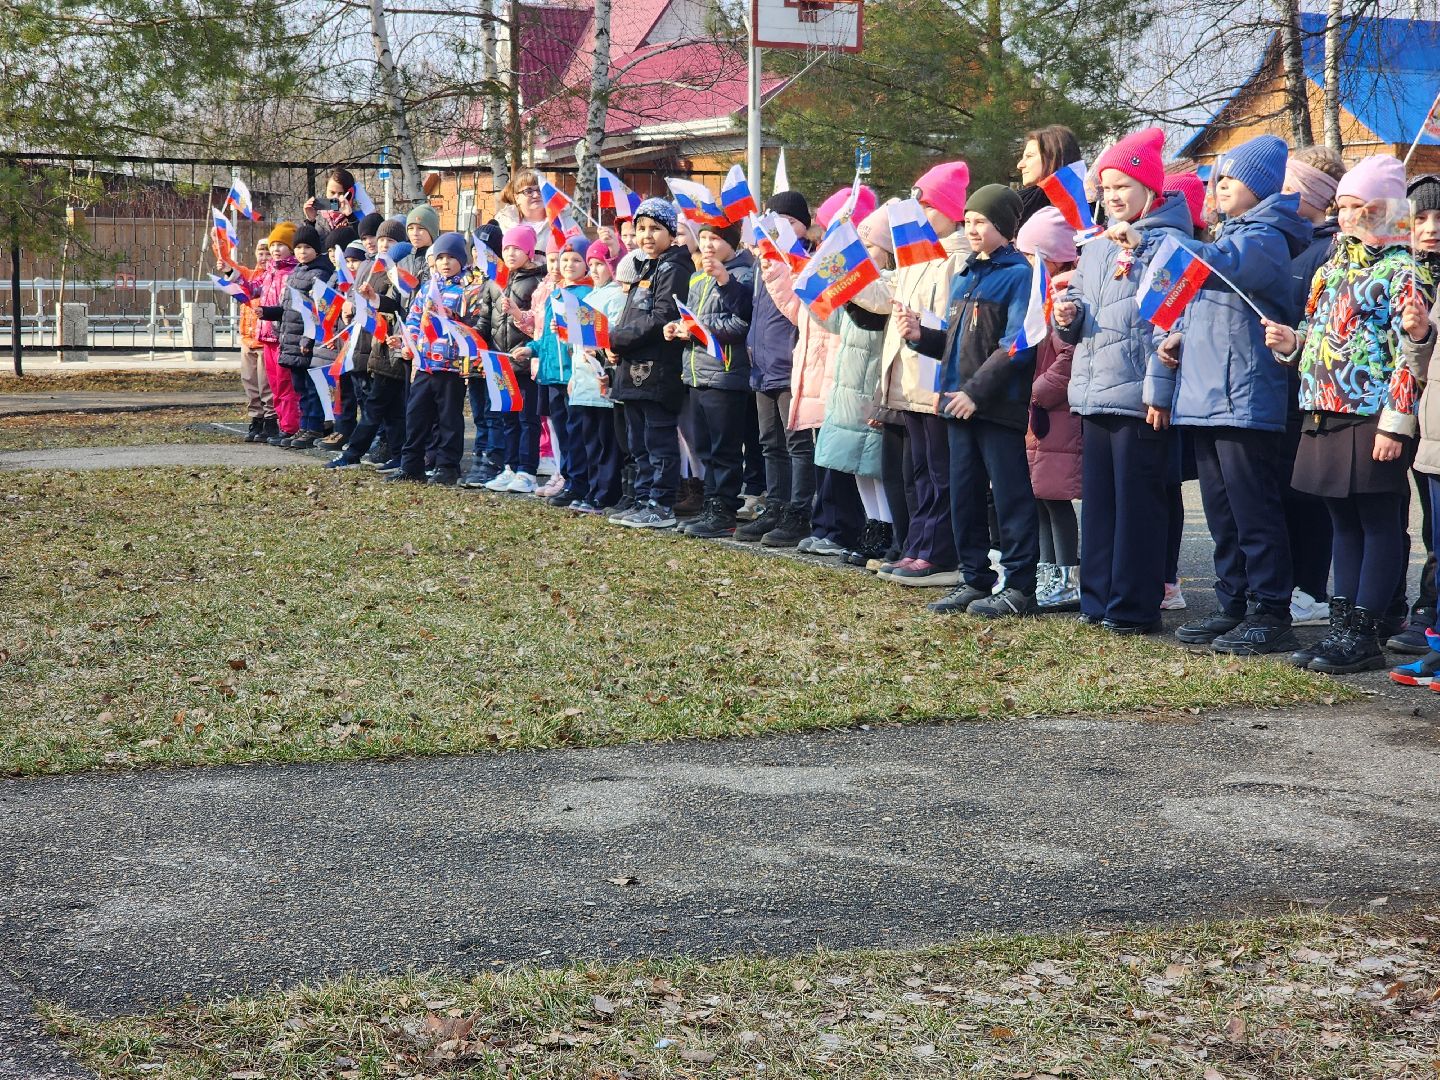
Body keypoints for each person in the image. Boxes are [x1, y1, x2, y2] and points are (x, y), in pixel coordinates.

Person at [1262, 154, 1429, 673]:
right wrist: (1292, 344)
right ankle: (1341, 625)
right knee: (1341, 521)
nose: (1349, 215)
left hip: (1370, 413)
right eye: (1343, 205)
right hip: (1324, 409)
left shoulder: (1402, 270)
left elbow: (1409, 355)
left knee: (1377, 521)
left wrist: (1395, 423)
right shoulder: (1334, 265)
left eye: (1361, 206)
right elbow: (1321, 332)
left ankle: (1366, 631)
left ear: (1387, 208)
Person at [1162, 135, 1313, 655]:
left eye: (1232, 178)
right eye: (1217, 178)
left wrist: (1160, 231)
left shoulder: (1265, 236)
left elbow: (1221, 268)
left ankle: (1270, 610)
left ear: (1261, 186)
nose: (1219, 186)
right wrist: (1180, 334)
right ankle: (1233, 602)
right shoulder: (1229, 234)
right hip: (1206, 395)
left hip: (1243, 398)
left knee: (1254, 511)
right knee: (1222, 513)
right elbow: (1204, 301)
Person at [1054, 127, 1192, 633]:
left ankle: (1134, 606)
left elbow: (1172, 324)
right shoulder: (1096, 247)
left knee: (1138, 506)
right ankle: (1097, 600)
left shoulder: (1172, 243)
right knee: (1100, 506)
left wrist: (1160, 391)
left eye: (1123, 187)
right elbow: (1079, 310)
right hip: (1096, 391)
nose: (1113, 197)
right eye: (1107, 188)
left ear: (1150, 189)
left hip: (1139, 397)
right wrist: (1066, 316)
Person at [898, 184, 1039, 617]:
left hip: (995, 407)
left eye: (981, 222)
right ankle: (975, 578)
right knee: (964, 496)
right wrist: (922, 336)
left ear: (1004, 225)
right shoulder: (966, 273)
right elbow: (957, 343)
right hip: (956, 406)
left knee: (1010, 497)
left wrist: (975, 393)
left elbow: (1017, 344)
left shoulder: (1020, 275)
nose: (972, 229)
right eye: (968, 221)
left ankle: (1020, 587)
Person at [760, 184, 878, 552]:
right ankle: (826, 526)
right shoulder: (826, 261)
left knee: (842, 459)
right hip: (816, 368)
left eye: (832, 230)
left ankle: (843, 530)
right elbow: (802, 313)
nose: (825, 237)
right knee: (825, 454)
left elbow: (844, 321)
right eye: (824, 230)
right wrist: (779, 274)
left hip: (842, 373)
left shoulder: (857, 268)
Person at [875, 160, 971, 587]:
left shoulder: (958, 258)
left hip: (934, 380)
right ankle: (917, 544)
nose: (921, 214)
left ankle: (939, 553)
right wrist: (847, 273)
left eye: (929, 206)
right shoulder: (915, 255)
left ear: (950, 210)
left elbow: (951, 325)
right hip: (907, 380)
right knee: (919, 472)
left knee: (939, 472)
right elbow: (886, 298)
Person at [1280, 145, 1345, 628]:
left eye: (1289, 189)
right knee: (1285, 492)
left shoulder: (1327, 248)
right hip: (1280, 385)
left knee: (1309, 497)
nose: (1279, 196)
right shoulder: (1286, 240)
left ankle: (1311, 589)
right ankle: (1293, 585)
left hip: (1309, 389)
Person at [814, 202, 895, 566]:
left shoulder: (888, 283)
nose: (863, 254)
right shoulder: (860, 286)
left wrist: (845, 276)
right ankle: (872, 527)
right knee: (855, 464)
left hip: (871, 386)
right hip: (848, 385)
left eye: (871, 247)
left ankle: (887, 530)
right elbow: (833, 322)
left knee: (875, 465)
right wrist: (818, 293)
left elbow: (876, 304)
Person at [608, 197, 692, 528]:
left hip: (657, 370)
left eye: (655, 228)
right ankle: (643, 499)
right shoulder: (647, 266)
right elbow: (632, 314)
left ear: (670, 233)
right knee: (639, 442)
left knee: (658, 441)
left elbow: (661, 317)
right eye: (641, 228)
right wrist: (616, 345)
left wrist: (619, 339)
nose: (646, 235)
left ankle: (661, 503)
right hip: (633, 368)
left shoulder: (674, 268)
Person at [669, 219, 756, 538]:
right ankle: (711, 504)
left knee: (725, 448)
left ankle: (725, 510)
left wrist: (701, 331)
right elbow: (692, 318)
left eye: (715, 239)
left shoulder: (743, 274)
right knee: (704, 446)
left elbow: (741, 323)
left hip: (725, 373)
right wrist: (678, 328)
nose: (707, 245)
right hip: (696, 372)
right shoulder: (696, 277)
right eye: (703, 238)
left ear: (731, 242)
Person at [1014, 208, 1081, 612]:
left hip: (1054, 417)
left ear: (1051, 258)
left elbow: (1067, 359)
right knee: (1038, 497)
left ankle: (1068, 577)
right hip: (1037, 417)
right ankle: (1046, 572)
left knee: (1055, 500)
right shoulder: (1038, 298)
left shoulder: (1062, 298)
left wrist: (1035, 392)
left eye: (1029, 255)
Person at [737, 191, 811, 544]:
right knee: (770, 443)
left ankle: (799, 512)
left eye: (790, 222)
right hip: (762, 366)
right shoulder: (761, 264)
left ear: (804, 227)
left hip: (791, 365)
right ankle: (776, 506)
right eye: (775, 223)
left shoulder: (805, 262)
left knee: (798, 444)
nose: (781, 230)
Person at [1391, 174, 1440, 685]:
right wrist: (1419, 335)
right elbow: (1422, 368)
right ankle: (1426, 615)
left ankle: (1429, 609)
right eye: (1419, 218)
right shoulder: (1404, 273)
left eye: (1439, 217)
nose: (1430, 228)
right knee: (1427, 527)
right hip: (1419, 426)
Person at [389, 231, 477, 485]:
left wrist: (453, 317)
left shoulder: (468, 289)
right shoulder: (428, 287)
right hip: (425, 363)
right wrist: (407, 342)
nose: (445, 263)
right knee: (416, 416)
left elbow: (473, 324)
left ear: (462, 260)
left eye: (451, 257)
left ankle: (447, 466)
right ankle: (411, 465)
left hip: (451, 367)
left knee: (449, 419)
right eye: (440, 258)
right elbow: (414, 318)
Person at [326, 227, 412, 471]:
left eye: (389, 240)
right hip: (380, 346)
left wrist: (374, 301)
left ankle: (353, 453)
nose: (383, 244)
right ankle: (397, 454)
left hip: (397, 345)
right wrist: (363, 302)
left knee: (376, 406)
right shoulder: (373, 269)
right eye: (381, 239)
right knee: (392, 409)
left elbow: (399, 307)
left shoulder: (402, 275)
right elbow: (380, 305)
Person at [518, 235, 592, 507]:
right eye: (565, 260)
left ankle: (580, 482)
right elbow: (547, 338)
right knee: (561, 430)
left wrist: (568, 332)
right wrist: (531, 349)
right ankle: (568, 479)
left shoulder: (587, 294)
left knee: (576, 431)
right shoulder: (555, 294)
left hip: (572, 374)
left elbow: (586, 335)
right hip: (551, 374)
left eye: (576, 260)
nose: (569, 265)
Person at [474, 225, 546, 493]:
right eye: (507, 248)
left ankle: (527, 471)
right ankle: (510, 467)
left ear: (528, 251)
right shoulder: (494, 281)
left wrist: (529, 348)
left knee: (528, 420)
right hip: (500, 362)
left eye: (517, 248)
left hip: (524, 362)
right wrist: (473, 340)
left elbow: (538, 323)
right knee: (508, 418)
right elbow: (485, 320)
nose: (511, 253)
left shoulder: (538, 281)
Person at [258, 223, 333, 449]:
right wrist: (268, 313)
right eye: (298, 247)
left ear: (316, 249)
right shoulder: (296, 273)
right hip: (291, 340)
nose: (302, 252)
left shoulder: (320, 273)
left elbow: (318, 311)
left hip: (307, 341)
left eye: (307, 247)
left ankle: (314, 427)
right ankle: (303, 426)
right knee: (299, 388)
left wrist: (308, 339)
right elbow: (287, 308)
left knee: (311, 388)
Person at [564, 240, 625, 512]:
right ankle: (591, 488)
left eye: (600, 264)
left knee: (605, 440)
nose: (595, 270)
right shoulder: (588, 296)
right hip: (584, 379)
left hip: (602, 378)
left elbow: (615, 334)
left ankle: (606, 492)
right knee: (589, 440)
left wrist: (600, 345)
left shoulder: (616, 295)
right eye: (591, 264)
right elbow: (578, 343)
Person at [257, 222, 299, 442]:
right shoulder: (269, 272)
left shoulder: (292, 273)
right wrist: (229, 273)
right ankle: (283, 424)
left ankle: (291, 427)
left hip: (283, 336)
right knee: (274, 384)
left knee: (286, 384)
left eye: (281, 245)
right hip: (267, 336)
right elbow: (251, 288)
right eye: (273, 244)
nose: (275, 249)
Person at [232, 237, 274, 443]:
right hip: (247, 337)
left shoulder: (273, 277)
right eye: (261, 253)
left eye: (268, 253)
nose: (264, 257)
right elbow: (232, 271)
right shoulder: (250, 275)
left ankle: (270, 419)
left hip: (264, 338)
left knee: (266, 383)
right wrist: (220, 247)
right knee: (250, 381)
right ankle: (256, 418)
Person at [1015, 125, 1082, 224]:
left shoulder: (1086, 209)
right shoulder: (1015, 205)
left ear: (1053, 158)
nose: (1020, 165)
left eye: (1029, 156)